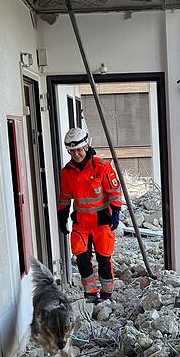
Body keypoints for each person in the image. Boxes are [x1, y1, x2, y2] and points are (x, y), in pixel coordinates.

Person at [57, 128, 123, 303]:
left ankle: (107, 294)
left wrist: (116, 211)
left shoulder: (102, 166)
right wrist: (62, 215)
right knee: (82, 259)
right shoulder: (67, 172)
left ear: (86, 147)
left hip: (102, 221)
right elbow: (65, 196)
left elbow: (115, 191)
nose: (76, 154)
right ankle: (90, 294)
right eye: (72, 151)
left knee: (104, 258)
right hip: (81, 222)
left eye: (79, 150)